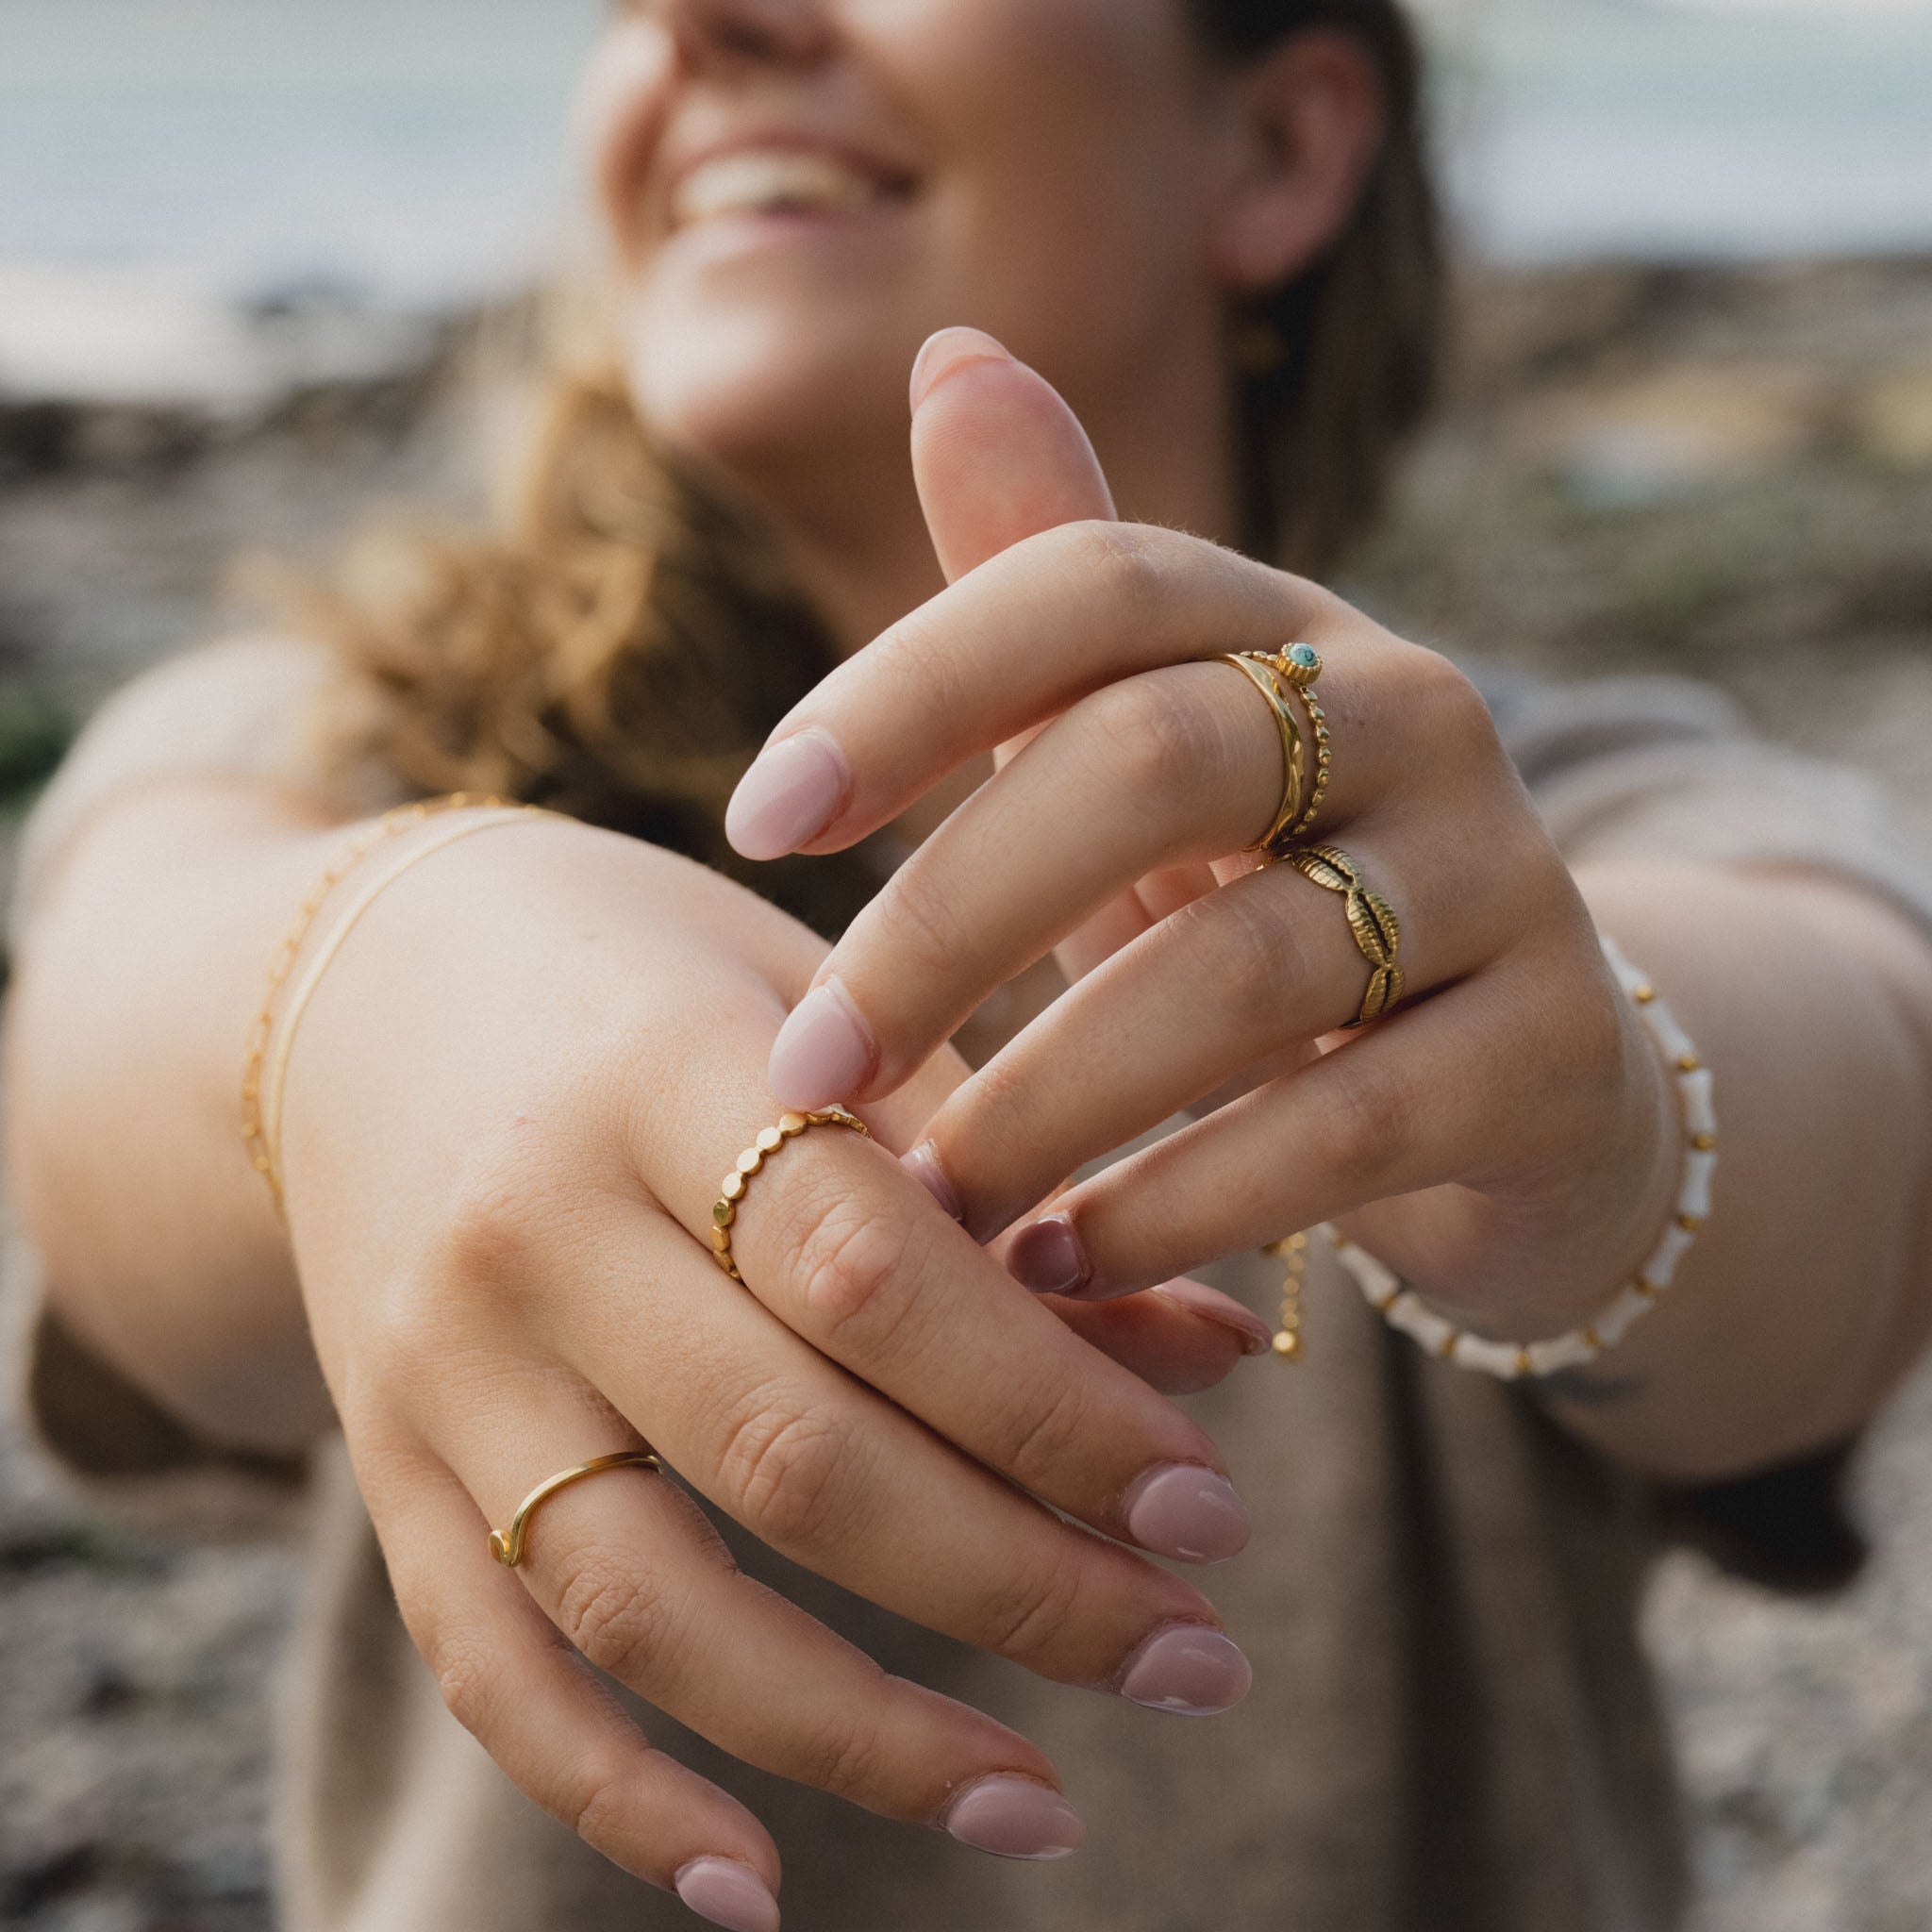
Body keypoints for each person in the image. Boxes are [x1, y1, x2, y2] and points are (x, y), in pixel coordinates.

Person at [9, 2, 1932, 1928]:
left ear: (1275, 148)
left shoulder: (1569, 812)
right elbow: (110, 1030)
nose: (705, 17)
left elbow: (1853, 1094)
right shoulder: (348, 750)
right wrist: (363, 968)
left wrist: (1582, 1116)